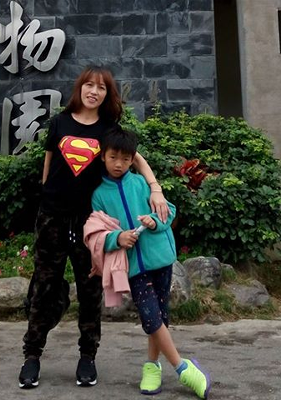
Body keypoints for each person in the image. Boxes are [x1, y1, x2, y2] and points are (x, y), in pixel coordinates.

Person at [18, 65, 169, 389]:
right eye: (89, 85)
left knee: (90, 288)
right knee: (44, 286)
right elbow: (48, 163)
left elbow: (135, 158)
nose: (94, 91)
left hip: (91, 223)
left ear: (106, 94)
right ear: (80, 88)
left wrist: (155, 188)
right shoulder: (59, 122)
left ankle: (87, 356)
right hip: (52, 217)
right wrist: (47, 197)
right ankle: (32, 356)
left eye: (101, 87)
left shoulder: (108, 128)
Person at [84, 126, 211, 399]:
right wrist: (117, 238)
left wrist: (154, 222)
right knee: (151, 318)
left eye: (125, 159)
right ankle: (183, 368)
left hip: (160, 259)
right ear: (103, 156)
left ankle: (152, 367)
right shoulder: (99, 195)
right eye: (113, 157)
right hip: (133, 267)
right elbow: (97, 231)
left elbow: (169, 212)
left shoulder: (143, 184)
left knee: (160, 316)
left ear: (133, 159)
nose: (119, 164)